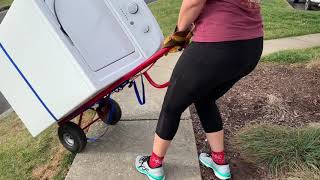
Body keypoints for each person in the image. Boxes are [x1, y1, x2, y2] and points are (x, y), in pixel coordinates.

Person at [135, 0, 263, 179]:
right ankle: (219, 162)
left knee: (171, 107)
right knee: (205, 99)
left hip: (216, 46)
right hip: (251, 48)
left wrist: (179, 33)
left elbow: (192, 3)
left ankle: (154, 165)